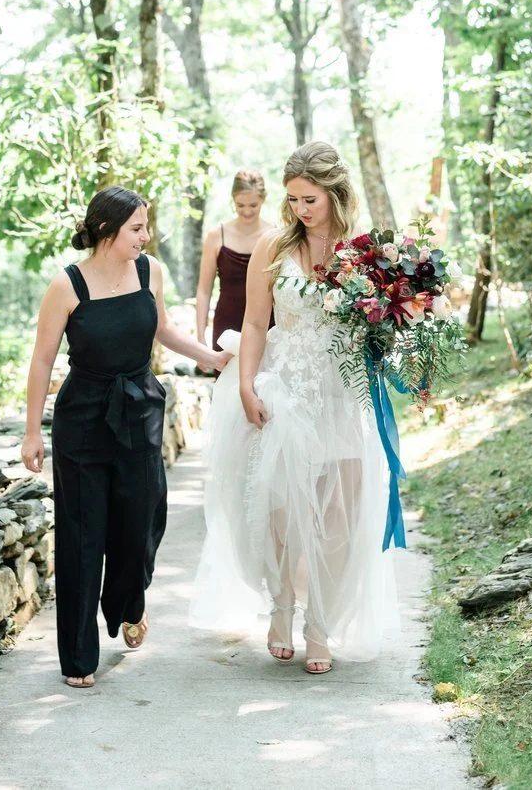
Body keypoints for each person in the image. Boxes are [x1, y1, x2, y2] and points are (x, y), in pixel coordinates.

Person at [190, 142, 397, 673]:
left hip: (343, 393)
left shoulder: (363, 252)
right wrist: (245, 385)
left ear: (333, 194)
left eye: (310, 199)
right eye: (294, 199)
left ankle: (321, 623)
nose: (301, 209)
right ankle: (282, 606)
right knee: (282, 511)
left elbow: (382, 322)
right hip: (284, 387)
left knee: (338, 518)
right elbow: (256, 323)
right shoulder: (273, 247)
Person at [22, 185, 231, 689]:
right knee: (81, 534)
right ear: (105, 231)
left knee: (142, 520)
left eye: (146, 226)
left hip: (139, 409)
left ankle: (126, 604)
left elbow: (163, 330)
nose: (146, 235)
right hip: (83, 419)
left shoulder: (149, 270)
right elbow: (42, 360)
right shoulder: (67, 285)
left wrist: (212, 357)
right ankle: (78, 656)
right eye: (137, 227)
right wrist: (33, 431)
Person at [195, 169, 274, 370]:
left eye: (253, 205)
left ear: (263, 200)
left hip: (267, 324)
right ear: (233, 199)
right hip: (227, 323)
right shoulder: (216, 235)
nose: (247, 211)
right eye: (240, 205)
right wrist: (200, 339)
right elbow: (204, 291)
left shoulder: (275, 234)